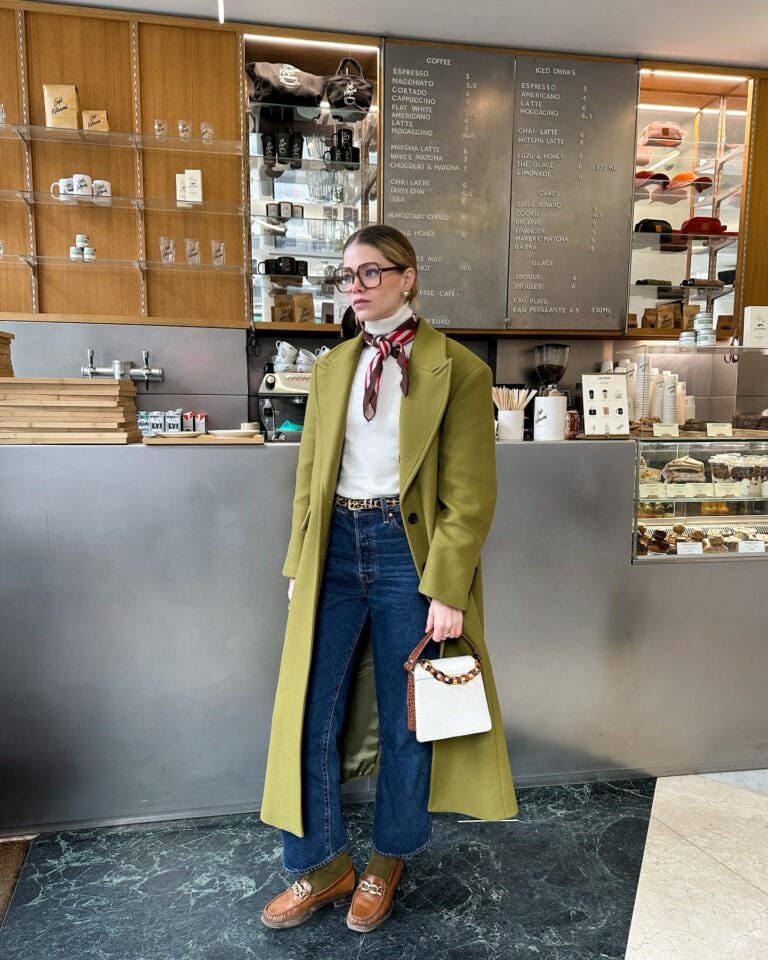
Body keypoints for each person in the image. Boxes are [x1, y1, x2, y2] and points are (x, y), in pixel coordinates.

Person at [260, 224, 517, 933]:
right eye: (348, 276)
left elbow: (469, 495)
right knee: (314, 706)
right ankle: (320, 862)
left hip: (409, 550)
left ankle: (387, 859)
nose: (357, 287)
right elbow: (310, 478)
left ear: (409, 278)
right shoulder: (331, 366)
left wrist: (448, 588)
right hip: (336, 547)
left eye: (371, 272)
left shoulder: (459, 369)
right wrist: (297, 563)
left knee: (412, 716)